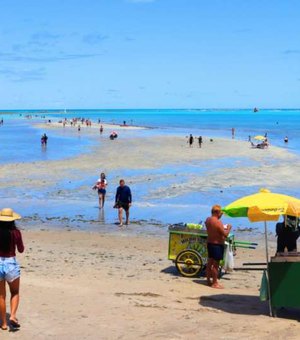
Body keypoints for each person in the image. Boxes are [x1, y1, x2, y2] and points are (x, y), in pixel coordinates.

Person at [0, 208, 24, 330]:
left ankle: (3, 324)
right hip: (10, 263)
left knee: (1, 295)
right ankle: (13, 316)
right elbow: (21, 249)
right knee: (14, 292)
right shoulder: (16, 232)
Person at [205, 205, 232, 289]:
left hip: (210, 243)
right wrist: (228, 228)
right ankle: (215, 283)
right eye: (221, 213)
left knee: (210, 263)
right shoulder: (217, 222)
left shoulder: (208, 220)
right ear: (216, 212)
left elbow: (213, 231)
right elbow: (225, 234)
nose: (221, 215)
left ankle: (208, 280)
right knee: (215, 265)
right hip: (216, 245)